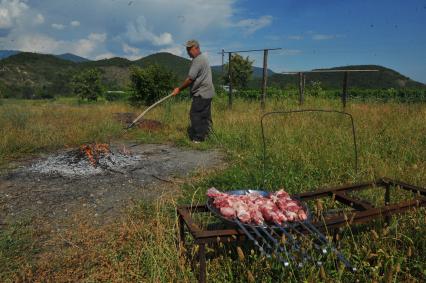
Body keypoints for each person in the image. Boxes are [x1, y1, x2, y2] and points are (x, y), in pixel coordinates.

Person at [172, 40, 215, 142]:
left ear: (196, 48)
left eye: (189, 49)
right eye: (187, 49)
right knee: (205, 115)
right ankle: (208, 135)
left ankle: (198, 138)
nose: (187, 52)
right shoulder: (203, 58)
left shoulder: (198, 60)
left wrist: (179, 89)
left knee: (195, 114)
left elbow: (190, 79)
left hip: (201, 93)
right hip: (208, 92)